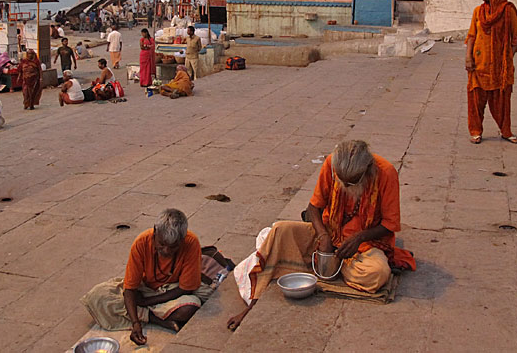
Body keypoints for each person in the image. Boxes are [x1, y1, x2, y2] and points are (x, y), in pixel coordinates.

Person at [226, 140, 415, 330]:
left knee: (377, 274)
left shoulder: (386, 172)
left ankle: (317, 264)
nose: (347, 186)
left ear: (367, 171)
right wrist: (324, 236)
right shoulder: (331, 163)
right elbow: (313, 208)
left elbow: (389, 225)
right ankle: (255, 302)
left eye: (352, 182)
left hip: (366, 243)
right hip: (330, 231)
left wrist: (358, 238)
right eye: (343, 182)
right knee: (280, 230)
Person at [81, 209, 211, 345]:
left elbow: (185, 288)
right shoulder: (141, 242)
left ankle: (148, 314)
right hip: (145, 288)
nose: (166, 251)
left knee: (190, 307)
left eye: (173, 247)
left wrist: (145, 302)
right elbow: (130, 289)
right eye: (161, 244)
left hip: (174, 289)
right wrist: (135, 323)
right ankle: (158, 319)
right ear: (155, 232)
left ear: (182, 240)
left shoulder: (191, 242)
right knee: (98, 296)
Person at [465, 0, 517, 144]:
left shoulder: (508, 11)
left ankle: (506, 131)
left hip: (500, 67)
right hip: (479, 63)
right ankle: (476, 131)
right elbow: (471, 36)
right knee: (476, 99)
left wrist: (507, 57)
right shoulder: (478, 11)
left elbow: (516, 38)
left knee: (502, 100)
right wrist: (468, 57)